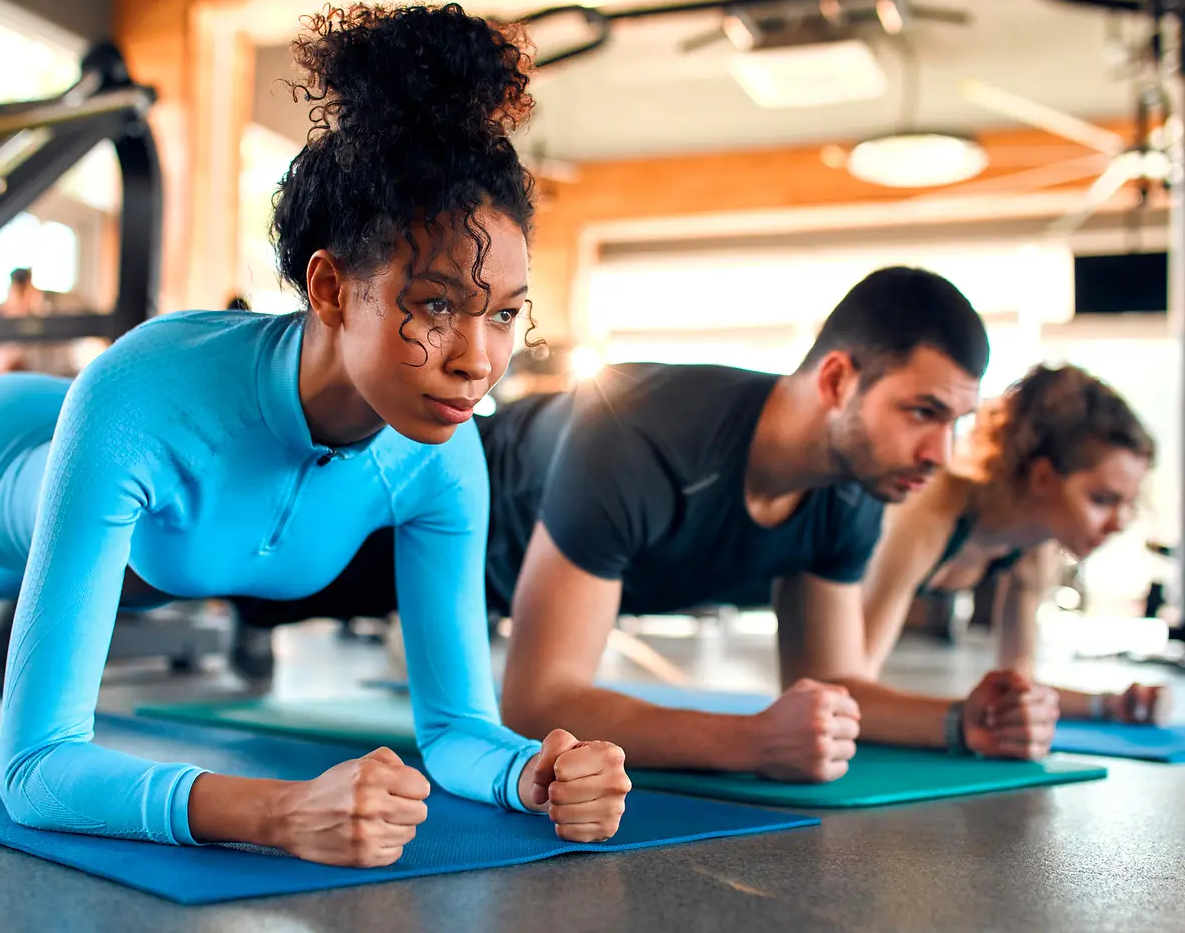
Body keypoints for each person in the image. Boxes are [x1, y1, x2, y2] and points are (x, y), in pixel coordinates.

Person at [0, 4, 631, 865]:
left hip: (130, 544)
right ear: (327, 289)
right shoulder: (147, 395)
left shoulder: (441, 458)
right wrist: (276, 810)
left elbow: (455, 732)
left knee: (15, 577)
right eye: (437, 306)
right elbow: (35, 769)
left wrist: (531, 772)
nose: (479, 361)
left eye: (506, 315)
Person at [234, 266, 1059, 781]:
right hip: (414, 510)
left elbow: (832, 683)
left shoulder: (850, 492)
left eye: (955, 421)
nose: (939, 451)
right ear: (838, 379)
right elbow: (537, 701)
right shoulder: (644, 431)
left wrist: (961, 721)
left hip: (489, 579)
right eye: (922, 412)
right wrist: (747, 743)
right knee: (213, 571)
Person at [853, 362, 1165, 733]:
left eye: (1127, 504)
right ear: (1043, 477)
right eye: (1101, 499)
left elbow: (1018, 687)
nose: (1118, 523)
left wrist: (1109, 704)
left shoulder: (1033, 546)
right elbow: (853, 689)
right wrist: (967, 723)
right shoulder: (932, 514)